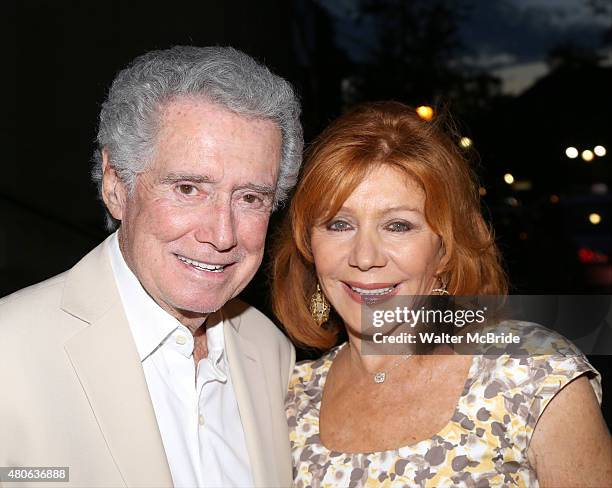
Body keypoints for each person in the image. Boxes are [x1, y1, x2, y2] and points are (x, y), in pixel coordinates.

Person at [0, 46, 302, 488]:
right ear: (115, 185)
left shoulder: (271, 352)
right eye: (188, 188)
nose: (222, 234)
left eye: (251, 198)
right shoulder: (11, 352)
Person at [272, 101, 612, 487]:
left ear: (445, 248)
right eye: (339, 224)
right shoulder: (288, 400)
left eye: (398, 225)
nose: (365, 257)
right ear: (308, 244)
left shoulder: (529, 373)